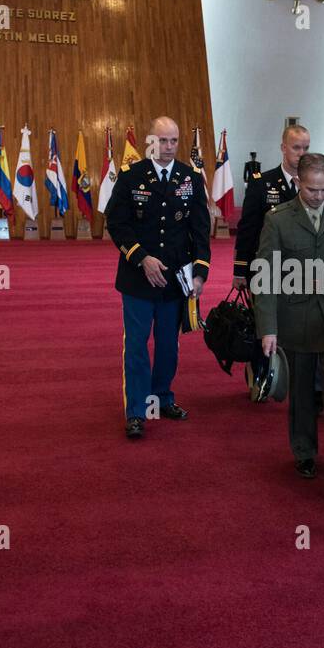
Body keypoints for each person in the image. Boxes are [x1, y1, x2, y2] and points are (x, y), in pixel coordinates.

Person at [253, 153, 324, 499]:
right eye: (312, 189)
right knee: (300, 393)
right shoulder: (278, 220)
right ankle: (304, 452)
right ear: (298, 183)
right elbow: (266, 276)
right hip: (295, 320)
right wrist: (267, 328)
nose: (318, 196)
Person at [105, 116, 210, 439]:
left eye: (173, 141)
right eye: (162, 141)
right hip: (138, 279)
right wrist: (141, 257)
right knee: (136, 345)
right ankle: (136, 410)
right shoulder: (131, 175)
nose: (167, 147)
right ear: (151, 141)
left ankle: (161, 397)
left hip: (175, 280)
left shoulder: (190, 177)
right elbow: (116, 222)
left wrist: (200, 273)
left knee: (169, 346)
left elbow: (200, 229)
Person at [233, 124, 309, 287]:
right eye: (296, 147)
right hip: (267, 269)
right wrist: (240, 270)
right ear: (283, 147)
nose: (301, 154)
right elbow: (248, 228)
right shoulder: (261, 183)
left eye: (306, 148)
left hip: (304, 270)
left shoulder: (313, 185)